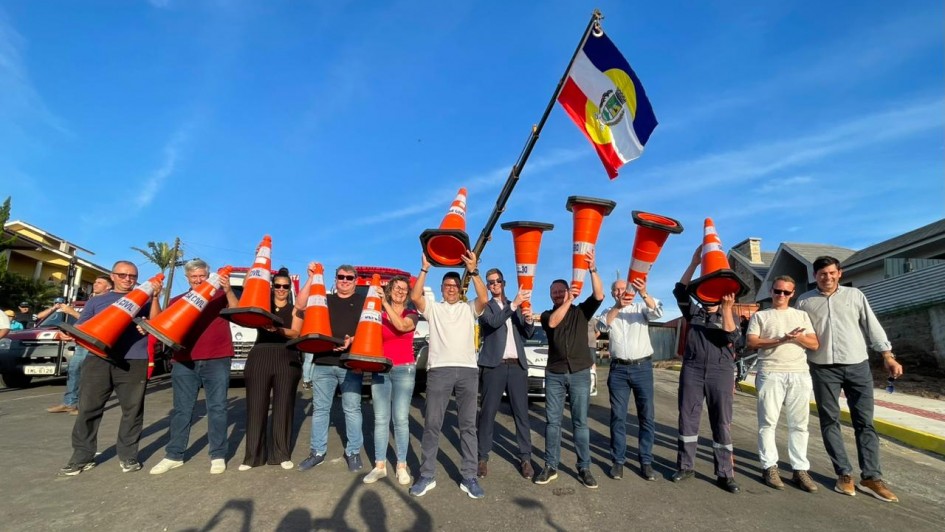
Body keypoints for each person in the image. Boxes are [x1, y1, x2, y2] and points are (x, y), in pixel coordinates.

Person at [797, 256, 904, 502]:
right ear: (815, 276)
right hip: (823, 368)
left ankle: (872, 477)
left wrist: (888, 355)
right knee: (829, 420)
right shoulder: (804, 301)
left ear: (839, 273)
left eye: (831, 272)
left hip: (857, 365)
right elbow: (800, 334)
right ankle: (844, 474)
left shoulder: (855, 296)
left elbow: (872, 326)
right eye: (822, 274)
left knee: (864, 422)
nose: (827, 277)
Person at [58, 260, 163, 476]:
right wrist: (69, 333)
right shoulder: (97, 301)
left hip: (134, 359)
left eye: (132, 276)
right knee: (88, 409)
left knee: (132, 411)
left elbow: (157, 322)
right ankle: (82, 456)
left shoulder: (144, 299)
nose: (128, 279)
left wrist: (154, 298)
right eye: (123, 275)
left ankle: (128, 455)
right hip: (98, 359)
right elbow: (81, 326)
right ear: (113, 276)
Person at [409, 251, 488, 499]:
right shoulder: (434, 309)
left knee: (468, 426)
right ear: (442, 289)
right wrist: (424, 269)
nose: (451, 289)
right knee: (432, 424)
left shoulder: (468, 308)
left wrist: (474, 271)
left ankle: (469, 476)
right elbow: (415, 297)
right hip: (439, 371)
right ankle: (426, 475)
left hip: (467, 371)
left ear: (460, 289)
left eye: (454, 285)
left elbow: (484, 298)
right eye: (447, 286)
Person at [149, 259, 238, 476]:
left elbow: (238, 312)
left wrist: (228, 290)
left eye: (202, 276)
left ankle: (217, 455)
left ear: (208, 276)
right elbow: (158, 323)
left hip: (217, 358)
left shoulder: (220, 297)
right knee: (182, 410)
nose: (198, 280)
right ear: (187, 278)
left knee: (217, 408)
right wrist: (155, 297)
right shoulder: (178, 300)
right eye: (193, 277)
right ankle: (174, 455)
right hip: (184, 360)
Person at [671, 246, 741, 493]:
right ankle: (685, 466)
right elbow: (679, 291)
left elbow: (731, 336)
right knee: (688, 418)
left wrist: (726, 309)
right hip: (693, 369)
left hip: (721, 372)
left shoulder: (731, 316)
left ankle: (725, 473)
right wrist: (693, 263)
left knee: (722, 422)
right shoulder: (694, 313)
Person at [534, 250, 604, 489]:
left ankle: (584, 467)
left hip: (579, 373)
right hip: (554, 373)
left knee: (580, 423)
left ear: (567, 290)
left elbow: (599, 295)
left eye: (560, 291)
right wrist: (568, 300)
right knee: (552, 422)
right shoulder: (547, 315)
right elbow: (554, 322)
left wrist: (592, 270)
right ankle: (550, 466)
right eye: (553, 292)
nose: (557, 294)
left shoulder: (582, 311)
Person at [746, 275, 820, 492]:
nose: (781, 295)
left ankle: (800, 469)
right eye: (778, 291)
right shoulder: (760, 316)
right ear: (771, 291)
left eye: (786, 292)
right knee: (768, 423)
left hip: (799, 373)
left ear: (792, 294)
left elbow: (814, 344)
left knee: (799, 424)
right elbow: (752, 342)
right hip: (771, 373)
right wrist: (781, 339)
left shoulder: (801, 316)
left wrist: (796, 338)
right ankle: (769, 466)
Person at [297, 264, 367, 473]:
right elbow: (300, 305)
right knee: (320, 410)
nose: (344, 281)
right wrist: (312, 278)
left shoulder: (364, 302)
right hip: (323, 362)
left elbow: (371, 329)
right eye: (340, 277)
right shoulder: (324, 299)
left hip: (350, 364)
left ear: (356, 281)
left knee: (352, 410)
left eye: (349, 278)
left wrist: (352, 340)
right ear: (335, 279)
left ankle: (353, 452)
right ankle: (317, 452)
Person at [597, 276, 662, 482]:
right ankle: (618, 461)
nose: (620, 292)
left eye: (623, 289)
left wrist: (643, 293)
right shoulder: (608, 311)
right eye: (616, 290)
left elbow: (658, 311)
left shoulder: (640, 308)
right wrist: (617, 307)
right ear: (612, 293)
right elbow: (602, 327)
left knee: (646, 416)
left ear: (629, 290)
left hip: (642, 368)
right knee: (618, 416)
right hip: (618, 370)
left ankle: (646, 461)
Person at [240, 267, 303, 471]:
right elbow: (247, 287)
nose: (281, 289)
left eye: (285, 286)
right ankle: (253, 457)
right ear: (272, 286)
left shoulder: (295, 309)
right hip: (260, 355)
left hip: (286, 356)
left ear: (290, 288)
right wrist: (255, 265)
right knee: (256, 406)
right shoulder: (262, 305)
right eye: (277, 286)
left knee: (283, 407)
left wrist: (277, 330)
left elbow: (296, 333)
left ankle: (281, 454)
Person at [476, 268, 534, 480]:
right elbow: (493, 322)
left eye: (497, 281)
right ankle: (482, 457)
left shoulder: (516, 305)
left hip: (517, 366)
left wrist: (529, 320)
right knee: (487, 413)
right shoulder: (485, 306)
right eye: (490, 282)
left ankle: (525, 458)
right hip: (494, 366)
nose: (494, 285)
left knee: (521, 414)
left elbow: (527, 334)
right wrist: (514, 305)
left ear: (504, 282)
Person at [363, 275, 419, 485]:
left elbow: (402, 327)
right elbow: (368, 337)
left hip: (404, 369)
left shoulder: (411, 314)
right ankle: (380, 466)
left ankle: (401, 466)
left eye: (404, 289)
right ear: (389, 289)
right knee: (380, 419)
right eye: (396, 288)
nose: (400, 291)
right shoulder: (378, 315)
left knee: (401, 419)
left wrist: (385, 303)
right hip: (381, 368)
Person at [47, 275, 114, 415]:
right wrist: (70, 333)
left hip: (93, 343)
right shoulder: (92, 300)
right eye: (95, 282)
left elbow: (95, 322)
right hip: (82, 341)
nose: (95, 284)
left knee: (88, 374)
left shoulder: (108, 302)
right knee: (74, 370)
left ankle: (85, 405)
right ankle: (70, 403)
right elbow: (82, 322)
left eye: (99, 282)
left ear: (108, 287)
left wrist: (71, 311)